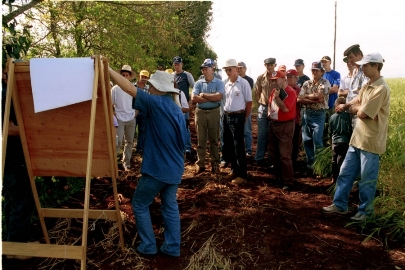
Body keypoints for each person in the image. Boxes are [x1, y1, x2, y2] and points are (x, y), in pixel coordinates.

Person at [108, 66, 188, 256]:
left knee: (139, 204)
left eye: (151, 86)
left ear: (159, 89)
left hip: (157, 169)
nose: (149, 89)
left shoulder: (156, 103)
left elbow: (128, 88)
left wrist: (108, 69)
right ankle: (172, 247)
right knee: (170, 207)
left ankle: (148, 246)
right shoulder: (176, 109)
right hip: (175, 169)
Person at [322, 52, 389, 222]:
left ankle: (366, 212)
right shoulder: (367, 85)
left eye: (366, 65)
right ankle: (340, 204)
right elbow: (357, 101)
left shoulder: (381, 89)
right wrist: (349, 105)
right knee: (345, 173)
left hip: (370, 142)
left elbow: (363, 113)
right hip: (357, 138)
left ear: (376, 66)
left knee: (367, 179)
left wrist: (353, 109)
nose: (362, 68)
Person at [2, 68, 35, 260]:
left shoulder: (8, 94)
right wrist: (32, 128)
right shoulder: (5, 96)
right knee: (22, 201)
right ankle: (17, 249)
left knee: (13, 201)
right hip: (12, 160)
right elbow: (7, 128)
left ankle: (12, 244)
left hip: (10, 160)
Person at [222, 59, 252, 184]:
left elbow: (249, 102)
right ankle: (234, 170)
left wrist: (244, 117)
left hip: (238, 116)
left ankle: (243, 175)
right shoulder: (226, 84)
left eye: (230, 69)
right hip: (226, 116)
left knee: (238, 146)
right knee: (229, 145)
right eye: (226, 70)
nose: (228, 72)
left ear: (236, 69)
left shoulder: (243, 83)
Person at [191, 59, 224, 174]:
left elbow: (218, 97)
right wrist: (211, 97)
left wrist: (204, 95)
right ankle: (200, 164)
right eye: (203, 69)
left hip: (214, 112)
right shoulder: (198, 83)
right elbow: (194, 99)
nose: (204, 71)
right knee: (201, 140)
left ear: (212, 69)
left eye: (206, 69)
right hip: (200, 112)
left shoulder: (219, 82)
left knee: (214, 140)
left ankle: (215, 164)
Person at [297, 62, 330, 173]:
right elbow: (299, 99)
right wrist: (312, 98)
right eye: (313, 70)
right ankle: (310, 165)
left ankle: (319, 166)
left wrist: (306, 96)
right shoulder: (307, 83)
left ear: (322, 72)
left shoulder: (325, 83)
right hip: (307, 113)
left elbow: (319, 96)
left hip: (319, 114)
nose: (314, 72)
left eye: (317, 70)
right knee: (307, 140)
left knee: (317, 140)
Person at [267, 71, 297, 189]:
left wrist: (277, 97)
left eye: (276, 79)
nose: (274, 82)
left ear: (283, 79)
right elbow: (270, 105)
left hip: (286, 125)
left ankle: (288, 181)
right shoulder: (275, 91)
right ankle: (278, 177)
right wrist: (269, 113)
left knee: (285, 154)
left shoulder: (291, 92)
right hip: (274, 123)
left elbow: (285, 109)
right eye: (273, 80)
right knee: (274, 152)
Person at [336, 44, 369, 128]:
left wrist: (344, 106)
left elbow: (362, 95)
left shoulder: (365, 71)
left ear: (358, 54)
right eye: (348, 58)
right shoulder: (355, 71)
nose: (349, 61)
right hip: (351, 112)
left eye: (351, 57)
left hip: (359, 113)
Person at [111, 65, 137, 171]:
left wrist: (136, 112)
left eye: (127, 75)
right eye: (123, 75)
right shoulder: (115, 89)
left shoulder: (133, 88)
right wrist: (113, 114)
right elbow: (110, 104)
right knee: (117, 142)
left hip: (131, 118)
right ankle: (112, 164)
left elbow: (138, 102)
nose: (125, 77)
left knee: (129, 142)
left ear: (130, 76)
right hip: (119, 119)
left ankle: (126, 163)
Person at [254, 57, 278, 166]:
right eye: (268, 65)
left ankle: (271, 159)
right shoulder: (260, 78)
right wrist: (261, 104)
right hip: (263, 107)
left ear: (275, 65)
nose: (269, 67)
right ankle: (259, 158)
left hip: (274, 107)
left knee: (272, 134)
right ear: (265, 66)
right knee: (262, 134)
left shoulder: (278, 77)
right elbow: (257, 92)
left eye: (271, 65)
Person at [173, 56, 195, 161]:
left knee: (185, 127)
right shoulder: (171, 76)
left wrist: (190, 101)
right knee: (174, 127)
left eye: (178, 64)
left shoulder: (187, 75)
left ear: (182, 64)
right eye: (175, 64)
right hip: (174, 105)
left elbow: (194, 87)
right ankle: (178, 149)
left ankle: (188, 149)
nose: (177, 66)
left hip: (184, 105)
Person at [328, 97, 353, 183]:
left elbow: (330, 131)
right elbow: (349, 129)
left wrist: (331, 140)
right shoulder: (347, 116)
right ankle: (340, 177)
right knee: (341, 160)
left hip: (335, 142)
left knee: (334, 160)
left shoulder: (332, 117)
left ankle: (333, 177)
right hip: (344, 141)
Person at [286, 69, 302, 170]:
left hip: (296, 120)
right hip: (285, 121)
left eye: (291, 77)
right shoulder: (283, 89)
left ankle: (293, 163)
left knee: (295, 143)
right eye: (287, 76)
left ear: (296, 78)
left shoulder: (299, 90)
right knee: (285, 143)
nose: (289, 79)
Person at [237, 61, 254, 157]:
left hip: (246, 106)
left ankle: (249, 150)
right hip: (237, 108)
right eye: (238, 68)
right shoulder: (235, 79)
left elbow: (244, 94)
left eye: (241, 67)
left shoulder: (249, 80)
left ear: (245, 68)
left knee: (247, 130)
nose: (239, 69)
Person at [134, 70, 150, 154]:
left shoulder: (148, 88)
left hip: (144, 111)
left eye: (145, 77)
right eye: (142, 76)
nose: (143, 79)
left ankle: (139, 147)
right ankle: (129, 146)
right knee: (132, 130)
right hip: (133, 110)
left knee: (142, 130)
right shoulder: (133, 86)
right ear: (139, 76)